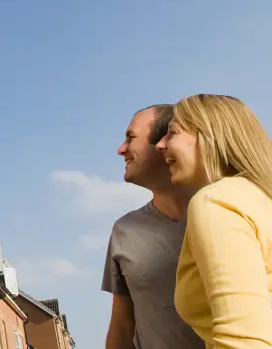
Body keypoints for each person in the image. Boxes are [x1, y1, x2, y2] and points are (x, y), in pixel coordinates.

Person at [155, 94, 272, 348]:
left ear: (209, 137)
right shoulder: (260, 199)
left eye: (172, 133)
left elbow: (243, 343)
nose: (160, 145)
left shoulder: (217, 201)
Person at [102, 104, 202, 349]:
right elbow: (122, 325)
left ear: (166, 142)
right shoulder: (124, 231)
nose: (121, 149)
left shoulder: (230, 212)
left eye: (131, 138)